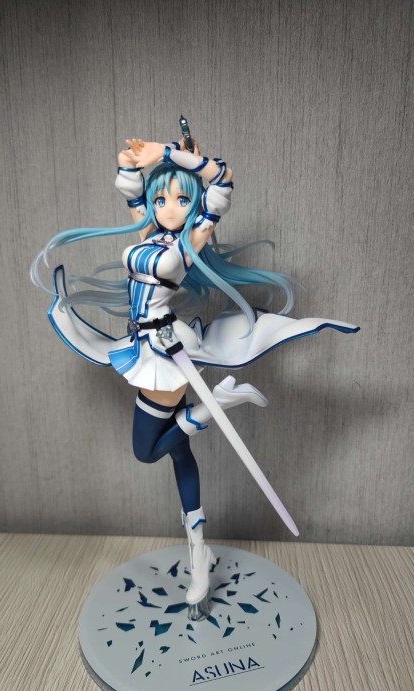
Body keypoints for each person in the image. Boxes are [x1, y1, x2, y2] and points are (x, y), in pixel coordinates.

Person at [30, 136, 359, 613]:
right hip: (147, 345)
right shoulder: (150, 232)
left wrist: (168, 153)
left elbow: (222, 178)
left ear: (195, 207)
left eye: (182, 200)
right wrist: (131, 164)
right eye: (162, 199)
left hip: (163, 353)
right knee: (179, 454)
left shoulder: (189, 242)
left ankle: (219, 401)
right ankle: (199, 554)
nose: (169, 208)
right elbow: (131, 191)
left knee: (146, 451)